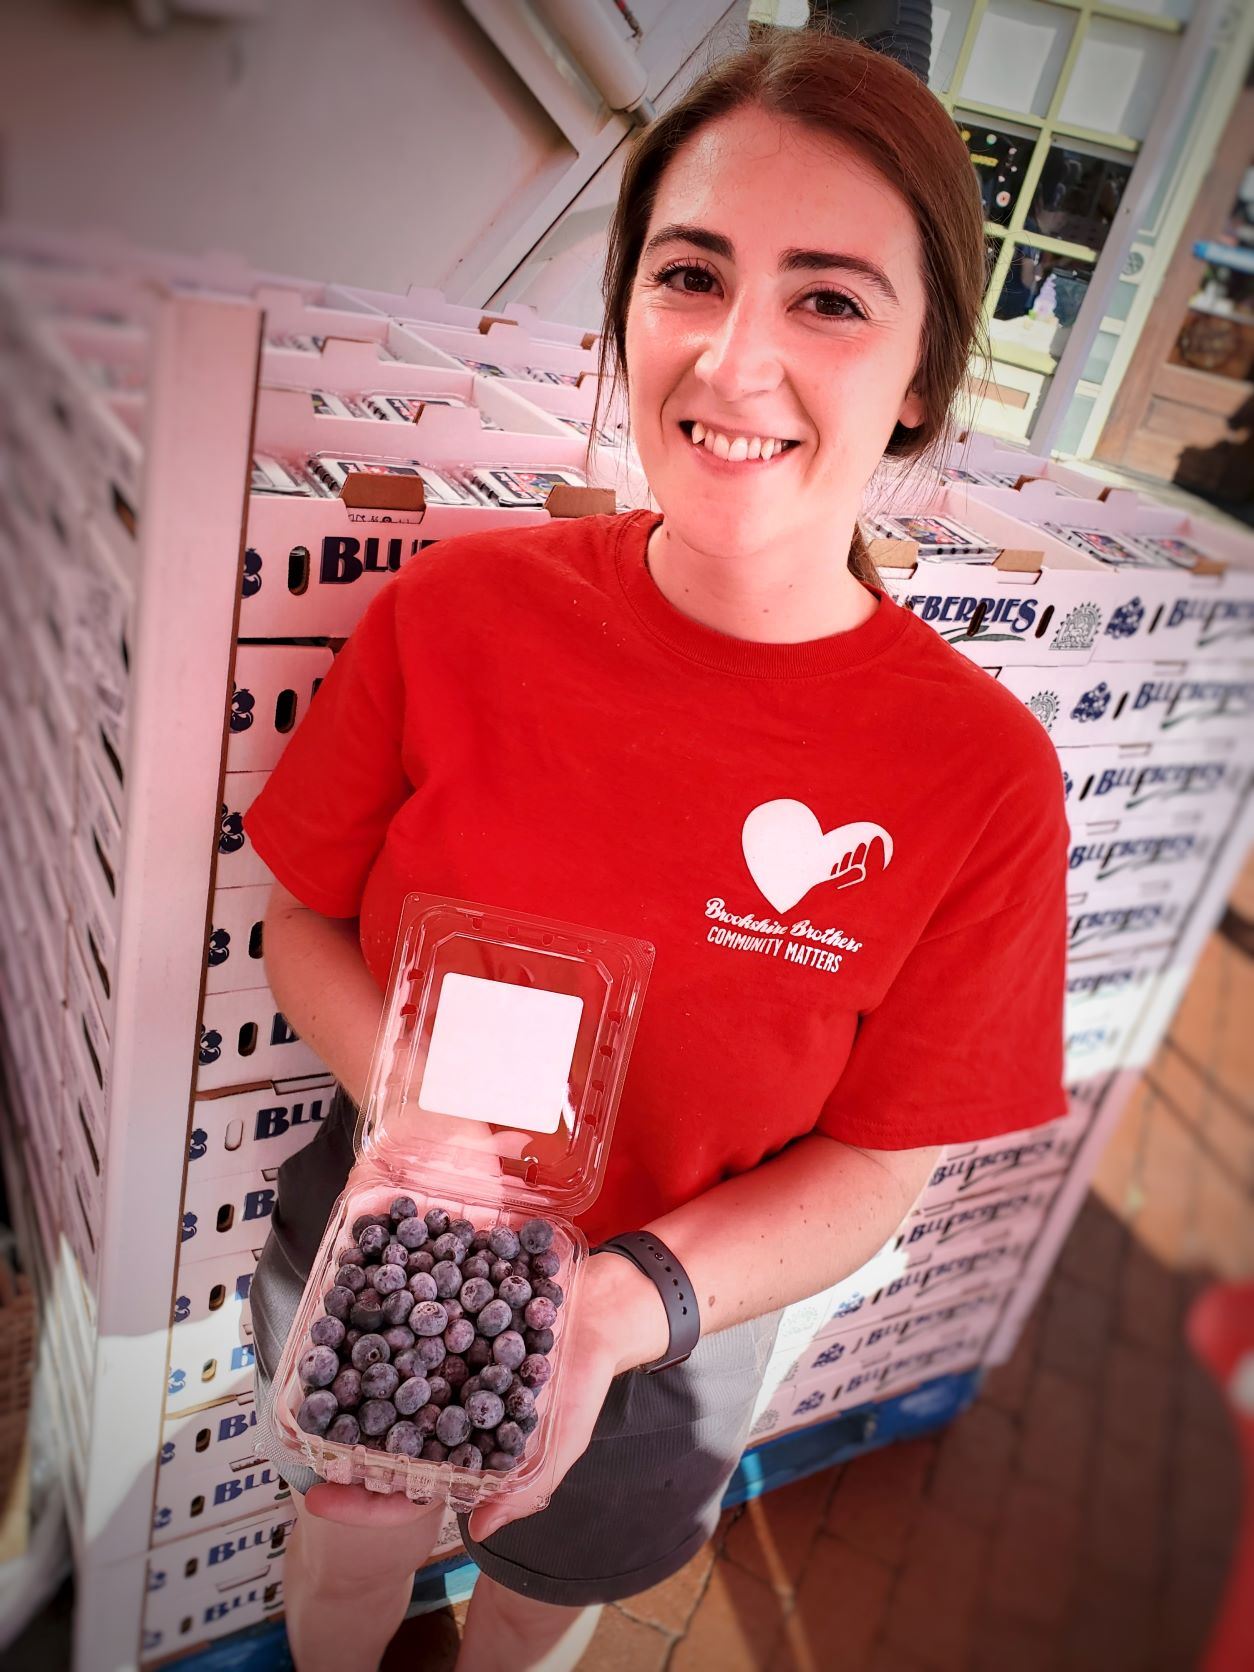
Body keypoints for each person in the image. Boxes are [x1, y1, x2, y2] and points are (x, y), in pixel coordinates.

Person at [243, 25, 1070, 1672]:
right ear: (626, 311)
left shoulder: (977, 775)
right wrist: (417, 1117)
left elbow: (878, 1167)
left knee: (530, 1619)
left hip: (672, 1329)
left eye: (828, 300)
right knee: (339, 1567)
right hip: (383, 1234)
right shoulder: (455, 616)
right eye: (690, 276)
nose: (735, 362)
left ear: (920, 375)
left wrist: (619, 1307)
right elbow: (299, 923)